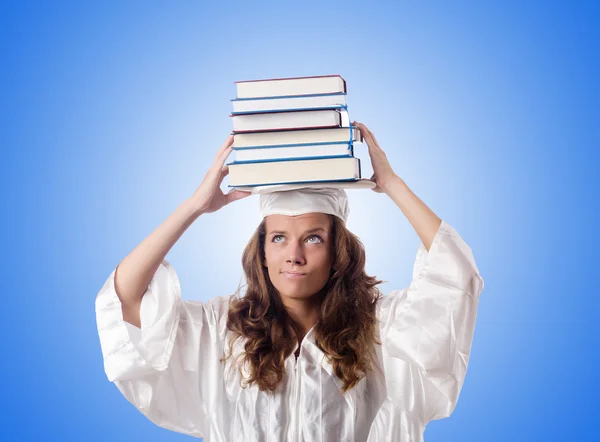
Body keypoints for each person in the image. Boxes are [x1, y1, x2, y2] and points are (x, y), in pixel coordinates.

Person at [95, 121, 484, 442]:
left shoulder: (380, 330)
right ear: (261, 251)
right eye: (278, 237)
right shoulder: (221, 334)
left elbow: (455, 276)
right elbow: (126, 298)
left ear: (337, 252)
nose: (293, 255)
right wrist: (195, 206)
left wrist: (393, 184)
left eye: (313, 238)